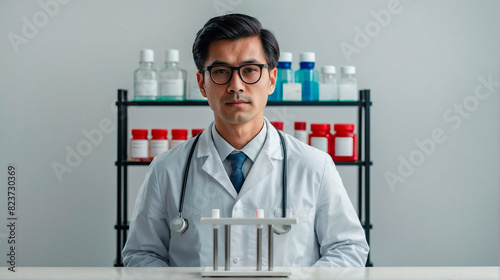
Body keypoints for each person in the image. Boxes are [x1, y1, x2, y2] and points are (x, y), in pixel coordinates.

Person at [122, 13, 369, 267]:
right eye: (221, 71)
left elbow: (348, 248)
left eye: (250, 70)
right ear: (202, 84)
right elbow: (141, 255)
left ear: (272, 79)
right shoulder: (167, 169)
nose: (236, 85)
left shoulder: (315, 166)